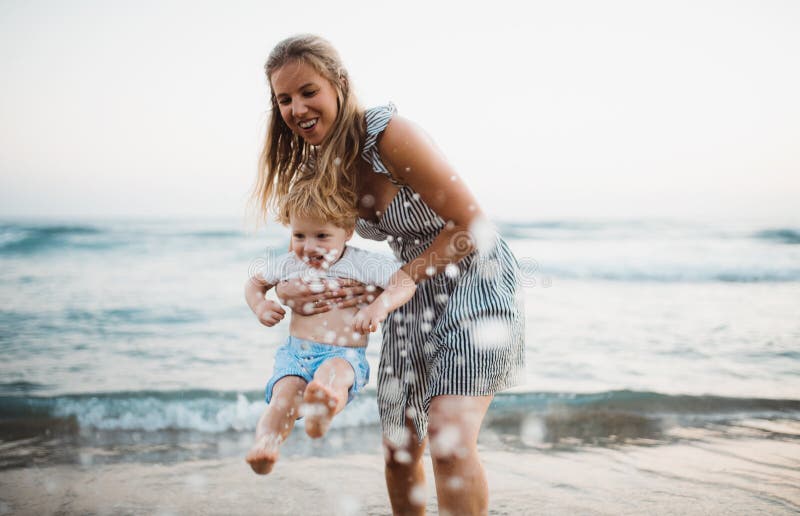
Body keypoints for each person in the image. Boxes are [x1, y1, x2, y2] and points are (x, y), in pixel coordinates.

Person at [251, 34, 525, 515]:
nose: (296, 108)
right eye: (284, 99)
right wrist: (316, 288)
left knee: (447, 437)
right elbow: (328, 247)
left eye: (307, 91)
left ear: (339, 83)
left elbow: (471, 224)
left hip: (475, 279)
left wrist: (400, 281)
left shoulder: (389, 136)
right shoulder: (321, 166)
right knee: (402, 450)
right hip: (407, 290)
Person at [244, 181, 416, 475]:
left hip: (342, 354)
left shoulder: (361, 263)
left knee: (331, 378)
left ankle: (321, 410)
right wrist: (260, 305)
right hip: (295, 354)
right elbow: (254, 283)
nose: (309, 246)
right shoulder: (288, 263)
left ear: (347, 232)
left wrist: (378, 307)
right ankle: (266, 445)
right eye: (299, 235)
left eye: (322, 236)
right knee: (282, 399)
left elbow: (405, 282)